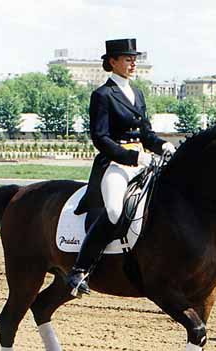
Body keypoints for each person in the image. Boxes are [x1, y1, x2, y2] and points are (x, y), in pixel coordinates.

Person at [66, 38, 176, 297]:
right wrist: (132, 158)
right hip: (116, 164)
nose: (132, 62)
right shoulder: (103, 95)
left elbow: (146, 135)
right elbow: (100, 138)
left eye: (134, 58)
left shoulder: (137, 93)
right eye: (127, 59)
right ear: (112, 62)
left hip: (144, 161)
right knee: (115, 210)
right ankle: (80, 269)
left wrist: (164, 146)